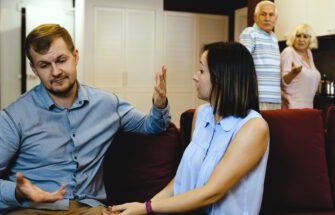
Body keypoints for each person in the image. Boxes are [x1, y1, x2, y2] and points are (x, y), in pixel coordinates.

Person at [0, 24, 170, 214]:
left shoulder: (108, 104)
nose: (56, 72)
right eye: (44, 65)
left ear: (75, 56)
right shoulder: (13, 117)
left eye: (61, 60)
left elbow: (151, 127)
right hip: (33, 208)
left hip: (88, 209)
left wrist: (159, 105)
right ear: (34, 69)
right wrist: (17, 192)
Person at [110, 42, 269, 215]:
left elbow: (211, 193)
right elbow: (181, 179)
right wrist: (144, 206)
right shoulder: (201, 115)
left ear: (222, 77)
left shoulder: (253, 127)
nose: (195, 76)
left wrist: (146, 209)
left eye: (201, 71)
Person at [239, 0, 281, 110]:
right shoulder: (250, 32)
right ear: (255, 17)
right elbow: (241, 61)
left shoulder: (274, 37)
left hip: (275, 97)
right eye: (263, 14)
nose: (267, 18)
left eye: (271, 15)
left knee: (273, 128)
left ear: (275, 19)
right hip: (257, 97)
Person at [280, 24, 320, 109]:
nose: (301, 39)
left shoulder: (309, 53)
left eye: (305, 36)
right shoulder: (288, 52)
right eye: (298, 36)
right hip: (292, 106)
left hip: (308, 106)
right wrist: (293, 73)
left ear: (310, 39)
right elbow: (284, 81)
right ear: (293, 38)